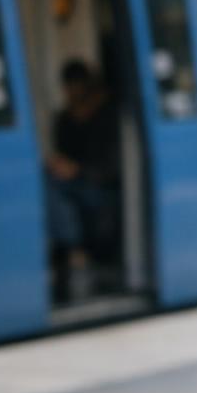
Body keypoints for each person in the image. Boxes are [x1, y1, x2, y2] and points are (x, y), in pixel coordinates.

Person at [45, 58, 121, 303]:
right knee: (47, 185)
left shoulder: (108, 116)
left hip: (100, 185)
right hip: (74, 183)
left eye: (73, 86)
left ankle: (75, 250)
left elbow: (112, 166)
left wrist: (77, 169)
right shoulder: (65, 119)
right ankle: (74, 252)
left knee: (55, 192)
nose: (69, 92)